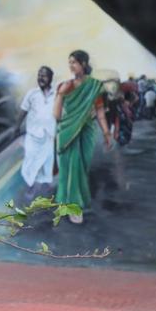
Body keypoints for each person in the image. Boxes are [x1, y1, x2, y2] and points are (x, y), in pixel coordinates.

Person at [54, 50, 114, 222]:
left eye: (74, 62)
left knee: (81, 169)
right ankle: (74, 207)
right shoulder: (64, 86)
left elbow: (100, 112)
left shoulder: (94, 86)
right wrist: (60, 94)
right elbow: (57, 115)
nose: (71, 65)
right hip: (67, 132)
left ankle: (70, 204)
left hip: (86, 131)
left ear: (84, 64)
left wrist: (106, 133)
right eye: (69, 62)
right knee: (70, 168)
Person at [18, 66, 57, 190]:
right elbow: (23, 111)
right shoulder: (32, 94)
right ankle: (30, 187)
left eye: (44, 75)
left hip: (49, 136)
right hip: (33, 136)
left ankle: (45, 187)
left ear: (50, 78)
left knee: (47, 163)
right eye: (39, 75)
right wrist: (16, 127)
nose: (40, 78)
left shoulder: (57, 95)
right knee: (30, 162)